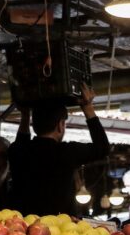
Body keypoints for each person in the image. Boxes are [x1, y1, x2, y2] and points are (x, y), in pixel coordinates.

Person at [8, 84, 110, 216]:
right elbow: (102, 148)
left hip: (23, 228)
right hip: (60, 228)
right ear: (61, 126)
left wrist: (25, 115)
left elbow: (21, 142)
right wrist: (87, 108)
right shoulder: (66, 152)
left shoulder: (17, 152)